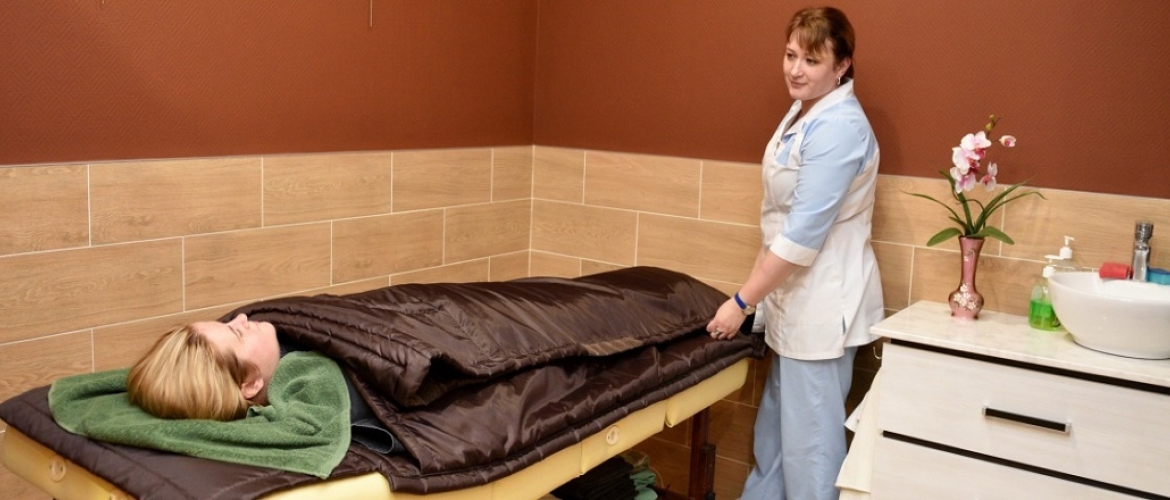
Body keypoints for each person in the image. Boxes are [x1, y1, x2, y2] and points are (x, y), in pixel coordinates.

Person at [705, 7, 883, 500]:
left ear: (842, 65)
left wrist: (740, 302)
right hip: (793, 302)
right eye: (790, 55)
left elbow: (800, 236)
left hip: (823, 308)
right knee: (775, 443)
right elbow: (775, 221)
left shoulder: (840, 127)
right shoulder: (804, 112)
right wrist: (753, 296)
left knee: (810, 455)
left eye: (811, 60)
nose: (795, 70)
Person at [128, 312, 404, 454]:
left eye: (227, 322)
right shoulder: (321, 388)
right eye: (237, 332)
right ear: (250, 384)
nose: (242, 318)